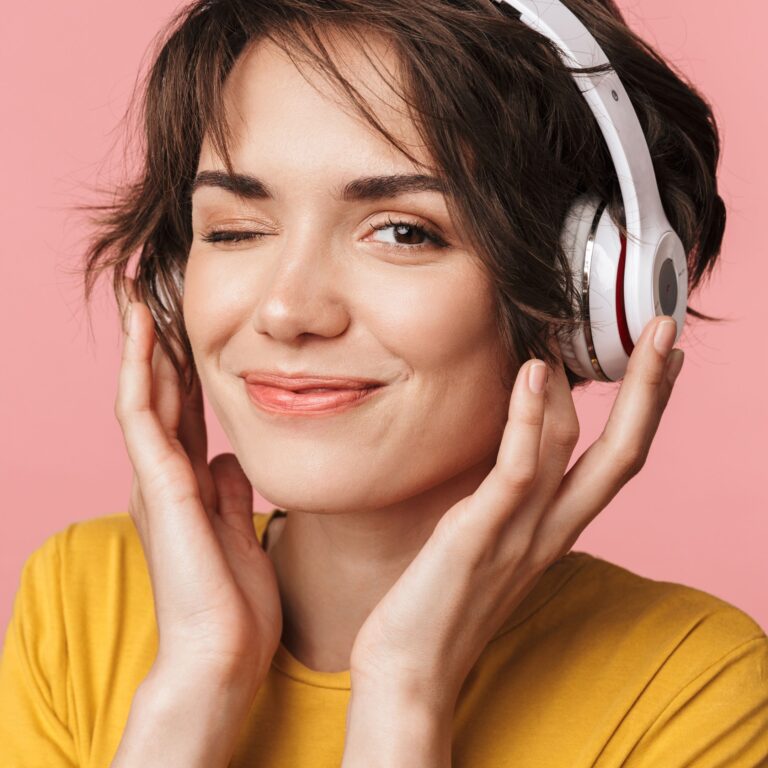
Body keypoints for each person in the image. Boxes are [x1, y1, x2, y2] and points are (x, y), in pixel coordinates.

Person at [1, 0, 766, 765]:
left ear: (585, 296)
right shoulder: (81, 603)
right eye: (233, 230)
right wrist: (195, 681)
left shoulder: (692, 688)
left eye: (403, 231)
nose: (286, 311)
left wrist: (405, 687)